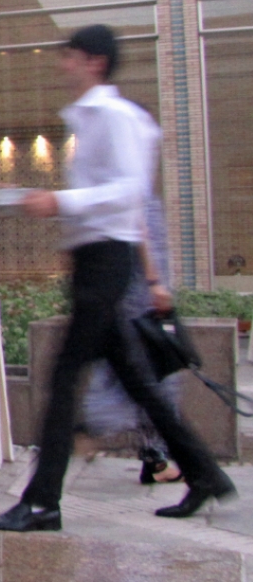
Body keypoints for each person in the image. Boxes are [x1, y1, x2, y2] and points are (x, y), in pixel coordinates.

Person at [0, 24, 235, 532]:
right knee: (138, 381)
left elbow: (128, 192)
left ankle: (42, 501)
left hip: (107, 263)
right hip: (94, 261)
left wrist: (60, 201)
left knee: (64, 375)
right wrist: (47, 205)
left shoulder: (115, 118)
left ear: (93, 61)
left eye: (69, 57)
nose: (62, 66)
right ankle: (205, 475)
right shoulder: (92, 119)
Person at [81, 194, 183, 484]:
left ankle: (155, 457)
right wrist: (155, 282)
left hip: (129, 290)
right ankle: (89, 430)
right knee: (149, 376)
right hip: (139, 294)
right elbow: (140, 227)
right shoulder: (133, 180)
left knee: (140, 374)